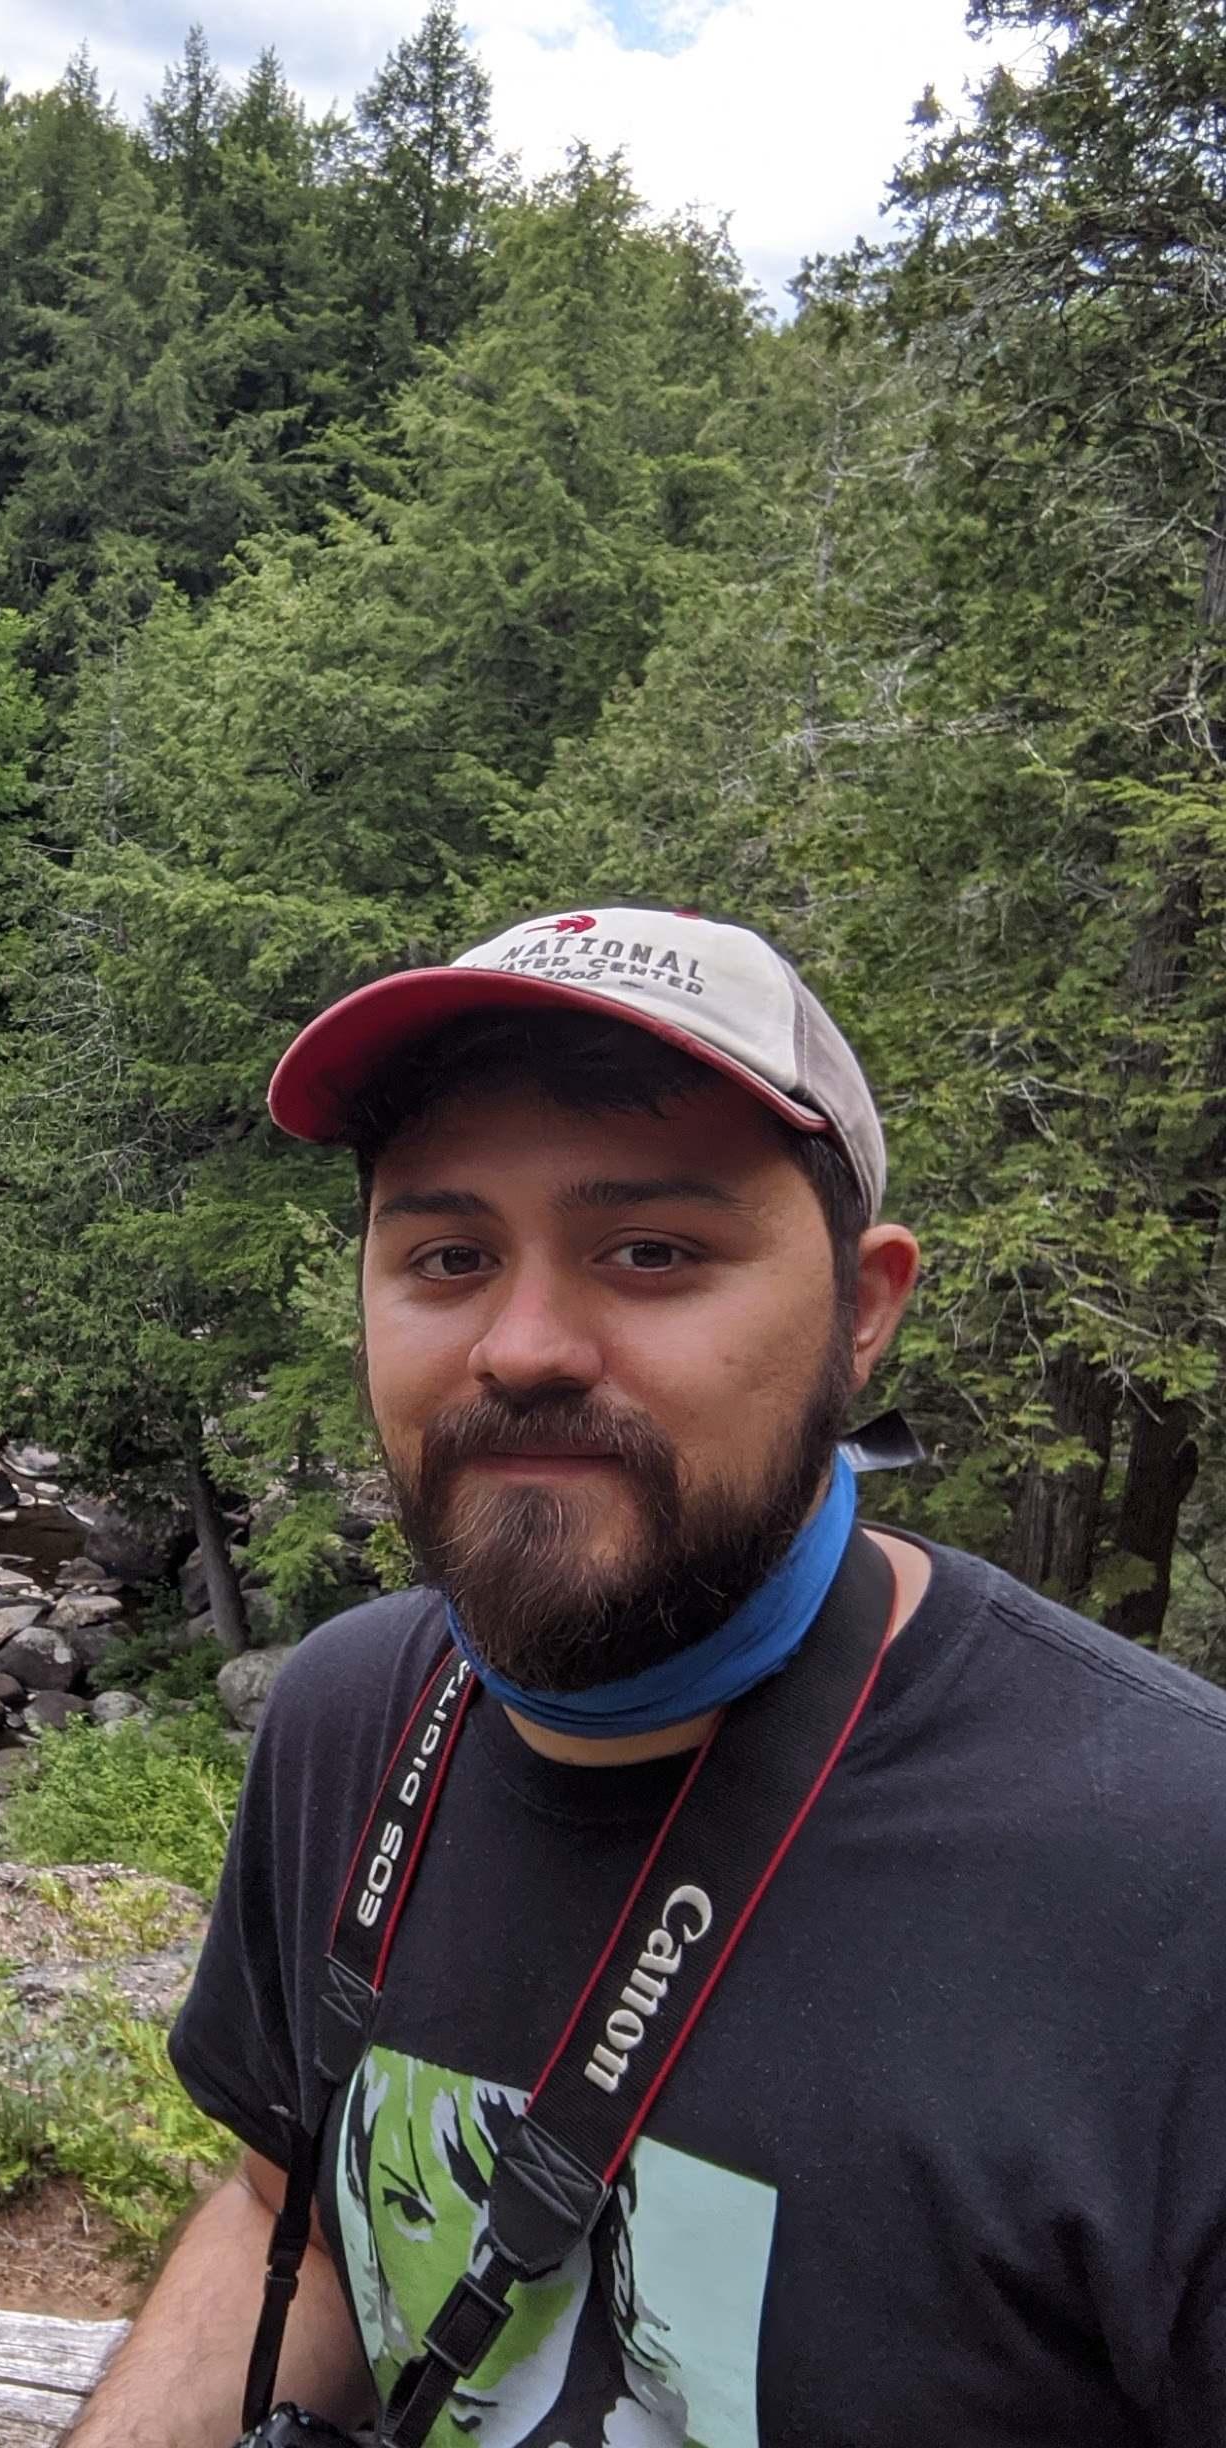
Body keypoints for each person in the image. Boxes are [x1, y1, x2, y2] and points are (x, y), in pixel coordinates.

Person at [73, 907, 1226, 2448]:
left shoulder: (1173, 1874)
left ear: (863, 1312)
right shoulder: (349, 1717)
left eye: (653, 1252)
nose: (525, 1347)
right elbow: (298, 2221)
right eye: (449, 1256)